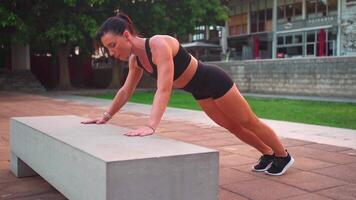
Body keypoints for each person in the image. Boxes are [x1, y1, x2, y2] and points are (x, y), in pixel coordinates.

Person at [82, 13, 294, 176]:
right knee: (232, 126)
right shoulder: (135, 60)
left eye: (112, 45)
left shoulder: (158, 44)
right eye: (108, 48)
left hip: (214, 80)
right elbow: (125, 91)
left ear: (126, 35)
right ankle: (268, 153)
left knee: (249, 121)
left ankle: (283, 156)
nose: (111, 52)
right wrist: (106, 116)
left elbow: (164, 88)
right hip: (199, 91)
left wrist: (150, 125)